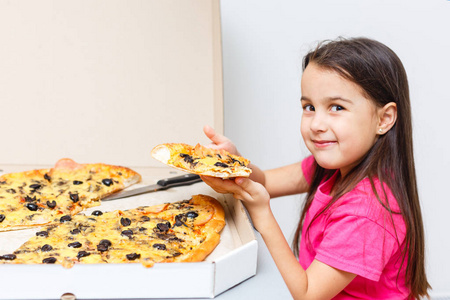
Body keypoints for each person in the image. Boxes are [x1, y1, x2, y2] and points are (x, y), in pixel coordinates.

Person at [201, 37, 430, 299]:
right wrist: (234, 163)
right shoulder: (332, 168)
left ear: (384, 119)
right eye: (309, 107)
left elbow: (307, 295)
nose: (316, 124)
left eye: (337, 107)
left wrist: (261, 213)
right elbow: (266, 181)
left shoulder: (367, 211)